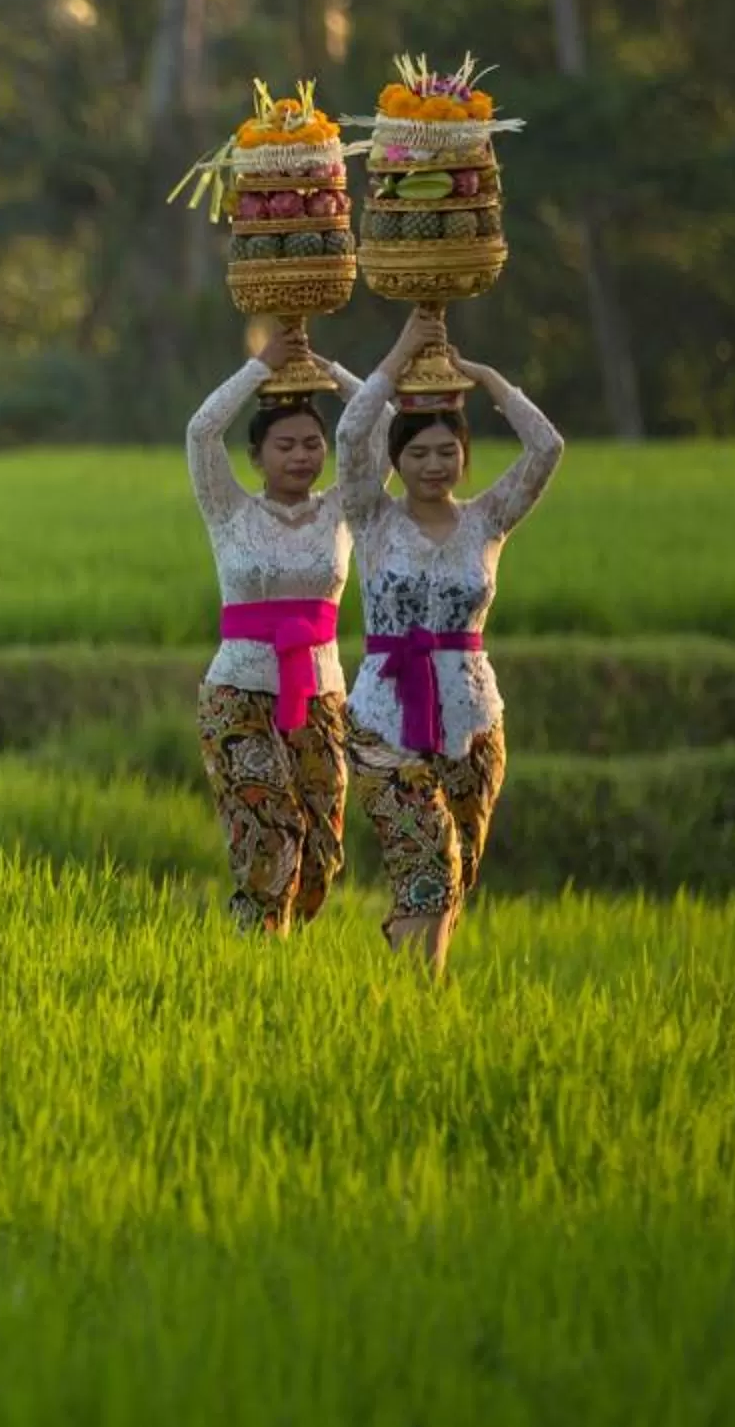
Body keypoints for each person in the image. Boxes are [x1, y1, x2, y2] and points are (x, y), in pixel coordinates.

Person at [336, 310, 566, 976]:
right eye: (417, 453)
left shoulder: (488, 519)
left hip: (473, 721)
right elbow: (350, 434)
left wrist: (488, 380)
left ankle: (415, 989)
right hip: (384, 718)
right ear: (396, 460)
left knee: (456, 871)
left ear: (464, 456)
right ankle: (419, 996)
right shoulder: (371, 518)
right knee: (429, 856)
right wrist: (399, 355)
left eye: (445, 452)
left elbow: (546, 448)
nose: (433, 465)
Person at [186, 329, 366, 935]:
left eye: (313, 444)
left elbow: (387, 427)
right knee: (272, 834)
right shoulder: (229, 510)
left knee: (320, 853)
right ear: (256, 458)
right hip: (239, 694)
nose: (301, 456)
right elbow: (201, 431)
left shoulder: (343, 510)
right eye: (285, 446)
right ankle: (254, 957)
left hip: (320, 696)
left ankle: (282, 955)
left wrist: (329, 370)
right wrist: (259, 368)